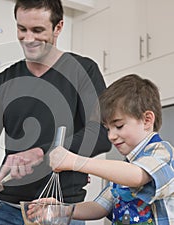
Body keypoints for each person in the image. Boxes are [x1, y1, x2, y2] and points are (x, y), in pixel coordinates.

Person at [0, 0, 111, 224]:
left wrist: (42, 152)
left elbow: (101, 134)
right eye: (21, 29)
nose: (28, 39)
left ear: (58, 27)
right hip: (7, 209)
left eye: (38, 30)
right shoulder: (2, 81)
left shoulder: (83, 71)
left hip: (61, 210)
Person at [46, 74, 174, 224]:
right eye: (108, 129)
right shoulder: (125, 166)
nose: (111, 136)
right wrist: (64, 210)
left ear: (147, 120)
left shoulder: (161, 152)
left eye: (118, 126)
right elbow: (99, 206)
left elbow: (137, 176)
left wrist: (75, 161)